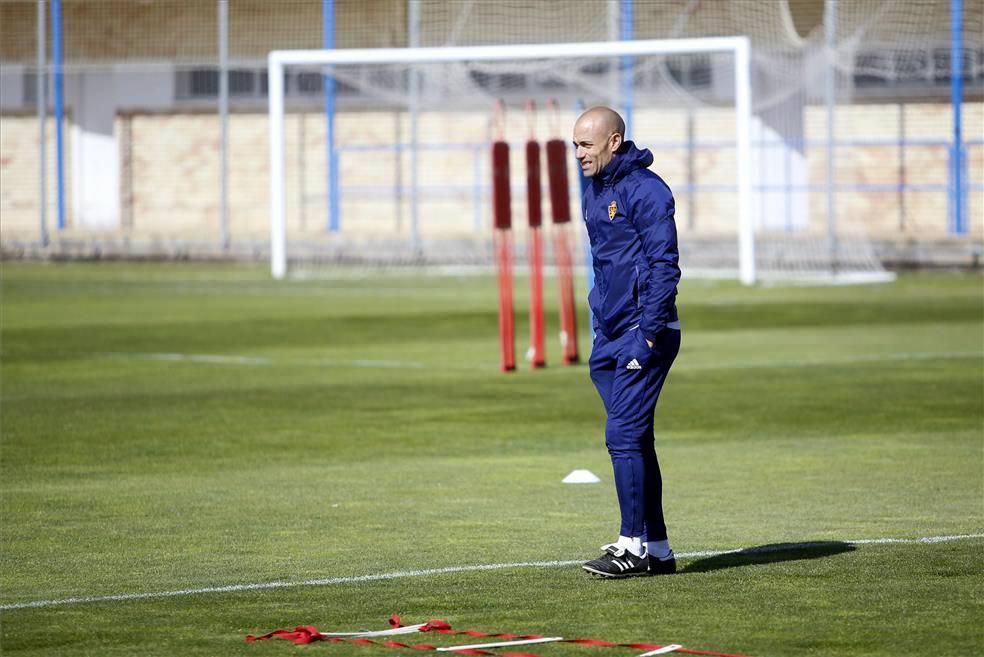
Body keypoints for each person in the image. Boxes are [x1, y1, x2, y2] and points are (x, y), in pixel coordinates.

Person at [573, 106, 682, 578]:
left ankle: (631, 546)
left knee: (621, 436)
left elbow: (664, 267)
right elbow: (605, 265)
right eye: (575, 144)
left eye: (586, 144)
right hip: (610, 336)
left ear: (613, 141)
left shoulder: (648, 191)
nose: (578, 153)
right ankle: (656, 549)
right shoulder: (593, 192)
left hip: (645, 336)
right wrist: (601, 325)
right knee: (635, 439)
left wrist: (648, 334)